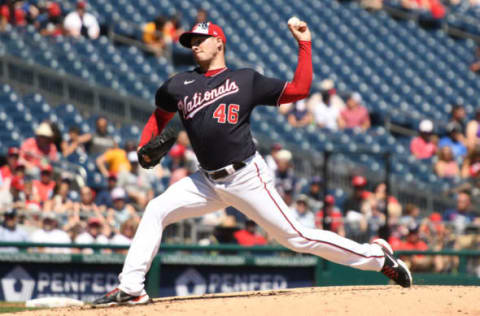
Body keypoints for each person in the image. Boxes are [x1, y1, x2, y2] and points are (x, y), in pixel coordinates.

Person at [93, 20, 411, 306]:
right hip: (206, 181)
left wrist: (304, 44)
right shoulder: (179, 85)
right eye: (191, 41)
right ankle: (132, 287)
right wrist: (143, 146)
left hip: (246, 176)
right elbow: (159, 117)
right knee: (155, 210)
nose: (195, 44)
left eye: (202, 38)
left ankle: (377, 257)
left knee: (297, 238)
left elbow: (299, 90)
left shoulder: (245, 79)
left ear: (220, 42)